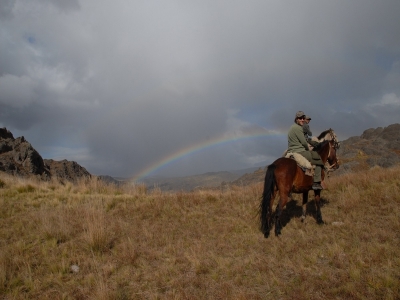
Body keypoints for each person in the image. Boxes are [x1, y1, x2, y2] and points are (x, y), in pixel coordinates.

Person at [287, 111, 324, 190]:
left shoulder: (291, 128)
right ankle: (316, 183)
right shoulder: (298, 128)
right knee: (318, 160)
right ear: (296, 119)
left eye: (303, 118)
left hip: (291, 151)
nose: (302, 120)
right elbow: (304, 142)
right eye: (300, 118)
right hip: (300, 151)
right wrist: (308, 150)